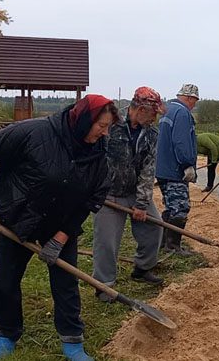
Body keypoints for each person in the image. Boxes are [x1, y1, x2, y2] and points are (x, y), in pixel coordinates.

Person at [0, 94, 117, 361]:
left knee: (65, 284)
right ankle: (7, 334)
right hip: (19, 218)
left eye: (108, 127)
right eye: (101, 125)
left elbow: (89, 200)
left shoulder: (97, 154)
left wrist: (61, 237)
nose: (105, 133)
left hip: (59, 225)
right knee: (6, 280)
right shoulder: (34, 132)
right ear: (83, 120)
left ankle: (72, 341)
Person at [92, 87, 165, 301]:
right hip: (107, 192)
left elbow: (148, 168)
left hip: (134, 191)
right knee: (106, 241)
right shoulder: (111, 125)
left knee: (154, 226)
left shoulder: (151, 134)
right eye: (153, 113)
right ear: (141, 109)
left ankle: (142, 268)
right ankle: (104, 286)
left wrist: (142, 203)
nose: (154, 118)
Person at [156, 84, 199, 256]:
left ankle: (162, 242)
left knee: (170, 207)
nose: (194, 105)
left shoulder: (168, 111)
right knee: (180, 208)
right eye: (194, 101)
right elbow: (181, 142)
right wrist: (187, 164)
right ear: (189, 98)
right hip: (175, 170)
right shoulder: (182, 113)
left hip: (163, 168)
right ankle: (173, 246)